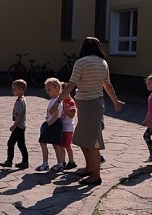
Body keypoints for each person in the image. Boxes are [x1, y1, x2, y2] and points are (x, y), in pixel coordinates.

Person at [56, 37, 124, 186]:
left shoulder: (81, 62)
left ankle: (96, 175)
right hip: (95, 104)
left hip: (89, 105)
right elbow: (107, 85)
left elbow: (71, 84)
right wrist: (115, 101)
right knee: (82, 138)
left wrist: (58, 100)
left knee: (92, 141)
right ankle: (89, 167)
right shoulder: (103, 62)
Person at [0, 79, 29, 170]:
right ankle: (24, 161)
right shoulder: (21, 99)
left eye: (14, 89)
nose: (12, 90)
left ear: (20, 90)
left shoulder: (20, 101)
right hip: (21, 126)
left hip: (19, 126)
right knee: (20, 144)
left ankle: (9, 161)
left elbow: (19, 115)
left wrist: (14, 125)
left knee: (11, 143)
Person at [38, 78, 65, 172]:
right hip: (50, 122)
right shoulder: (52, 99)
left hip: (54, 124)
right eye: (47, 89)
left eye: (49, 89)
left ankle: (59, 163)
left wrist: (49, 123)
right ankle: (46, 163)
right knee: (43, 142)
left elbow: (56, 115)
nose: (47, 91)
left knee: (56, 145)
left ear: (57, 88)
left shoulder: (58, 101)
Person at [60, 83, 77, 170]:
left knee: (67, 145)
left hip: (68, 127)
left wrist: (65, 110)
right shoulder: (61, 101)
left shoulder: (71, 102)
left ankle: (71, 161)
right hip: (62, 126)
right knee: (61, 145)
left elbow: (72, 115)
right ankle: (62, 161)